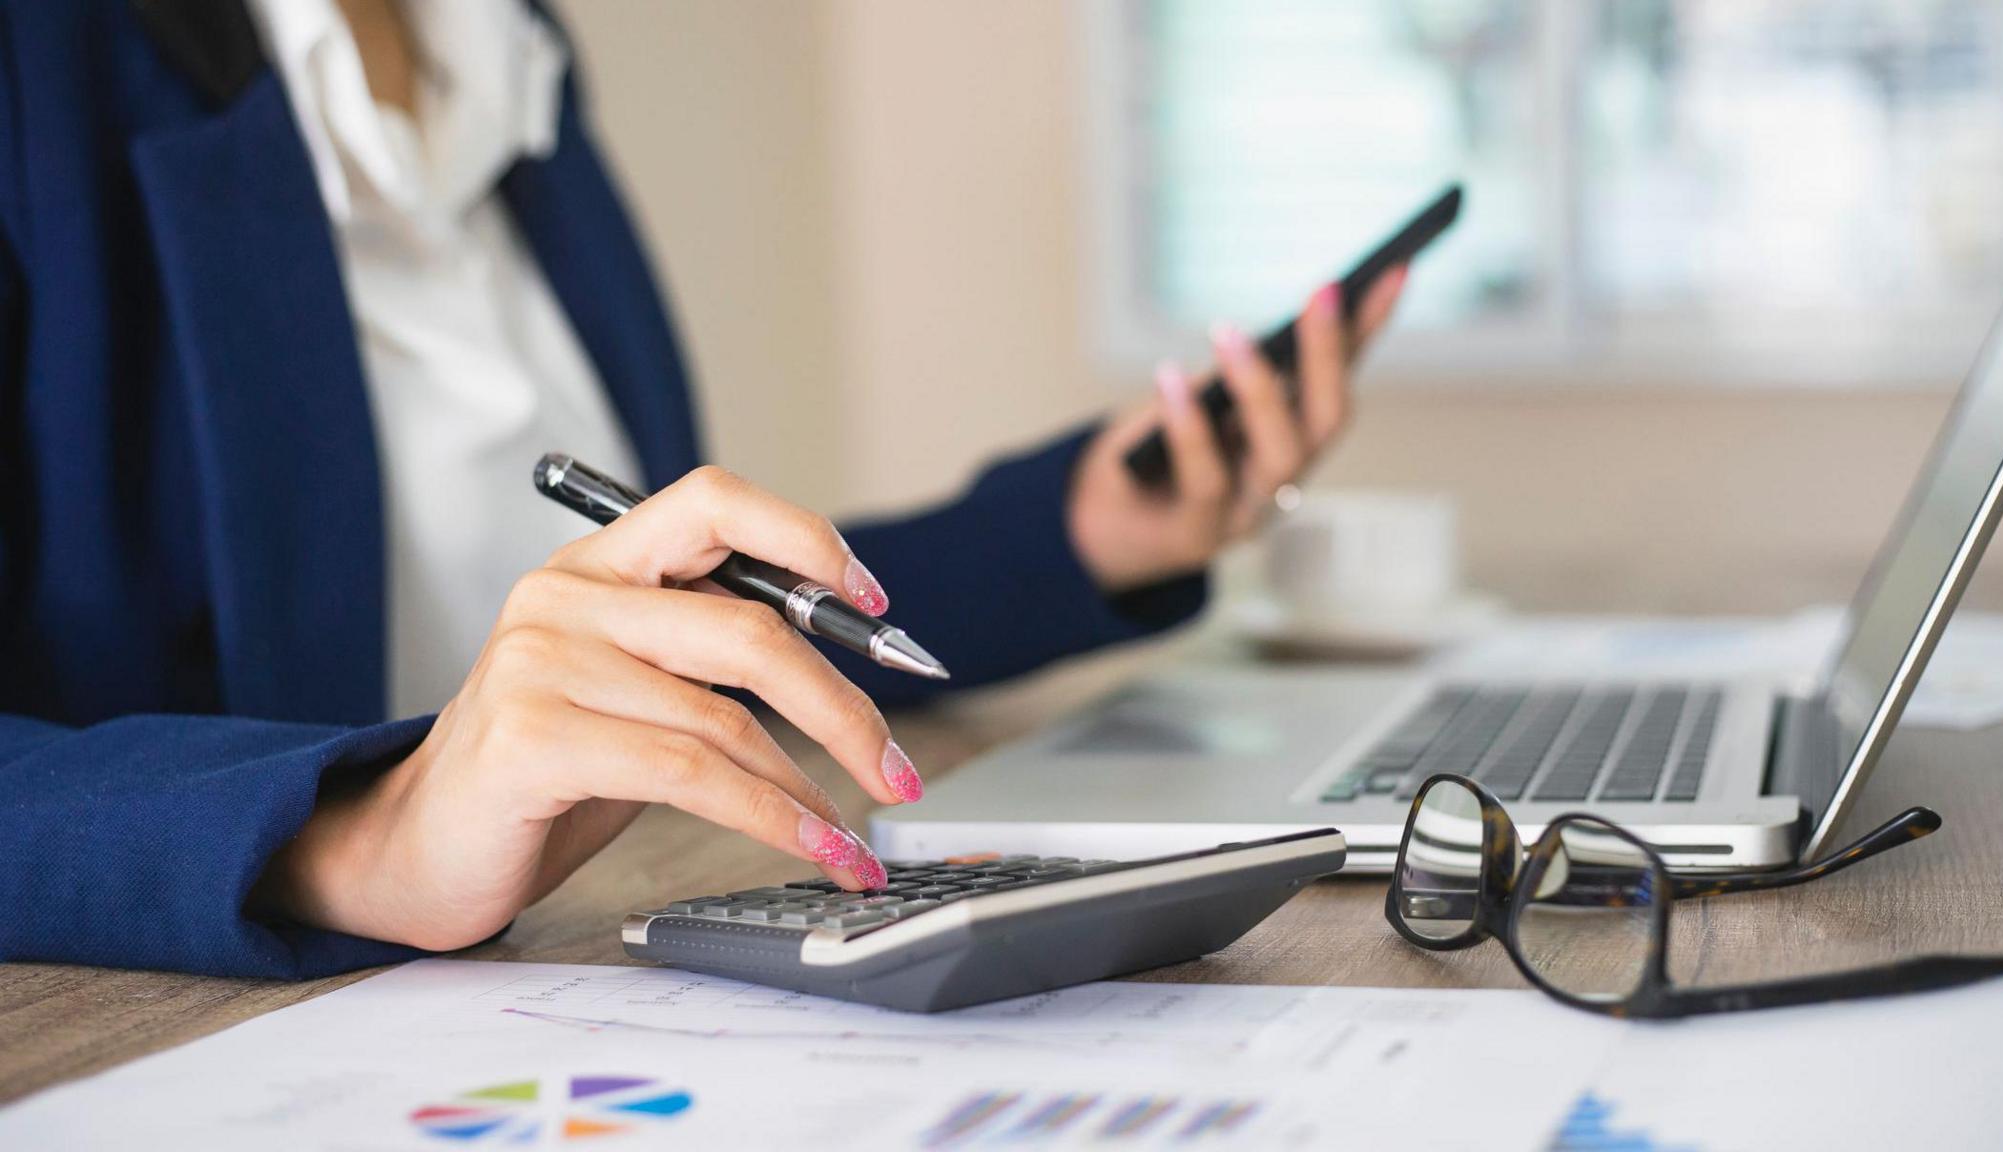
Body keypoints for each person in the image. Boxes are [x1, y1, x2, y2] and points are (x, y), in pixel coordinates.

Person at [0, 0, 1405, 978]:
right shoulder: (42, 66)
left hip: (604, 930)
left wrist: (1082, 531)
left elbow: (698, 607)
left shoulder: (514, 55)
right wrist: (352, 832)